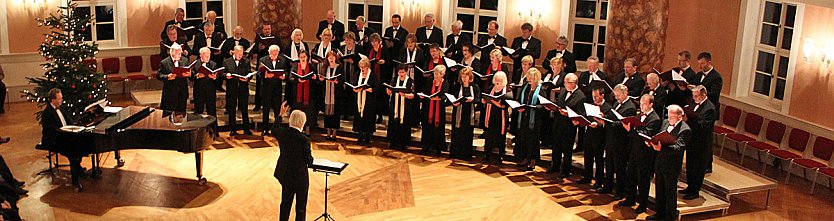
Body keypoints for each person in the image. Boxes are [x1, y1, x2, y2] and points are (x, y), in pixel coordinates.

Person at [647, 105, 691, 221]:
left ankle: (670, 216)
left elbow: (678, 148)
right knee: (659, 189)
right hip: (660, 162)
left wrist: (661, 148)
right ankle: (659, 213)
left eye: (672, 116)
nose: (669, 118)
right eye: (669, 115)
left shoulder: (685, 129)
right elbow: (660, 136)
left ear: (679, 116)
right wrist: (652, 142)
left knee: (670, 192)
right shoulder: (666, 122)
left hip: (672, 165)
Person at [619, 94, 661, 214]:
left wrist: (630, 130)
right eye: (641, 103)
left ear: (651, 104)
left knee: (643, 181)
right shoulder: (639, 115)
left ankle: (643, 205)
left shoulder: (655, 119)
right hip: (634, 151)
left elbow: (646, 135)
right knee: (631, 176)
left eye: (644, 104)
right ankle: (630, 199)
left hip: (645, 155)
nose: (641, 106)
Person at [272, 103, 314, 221]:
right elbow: (308, 161)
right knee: (300, 207)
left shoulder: (283, 133)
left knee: (285, 204)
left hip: (285, 174)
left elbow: (274, 129)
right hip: (299, 177)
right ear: (302, 122)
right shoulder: (304, 139)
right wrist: (312, 160)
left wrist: (281, 114)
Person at [597, 84, 637, 196]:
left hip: (621, 142)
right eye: (615, 96)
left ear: (625, 93)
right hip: (611, 139)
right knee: (609, 164)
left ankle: (620, 191)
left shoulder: (630, 107)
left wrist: (605, 122)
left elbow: (622, 124)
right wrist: (603, 116)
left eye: (618, 95)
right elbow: (612, 116)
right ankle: (608, 186)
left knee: (619, 167)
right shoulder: (616, 103)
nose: (616, 98)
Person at [41, 89, 84, 192]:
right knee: (74, 153)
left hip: (66, 136)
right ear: (52, 100)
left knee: (82, 144)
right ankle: (75, 182)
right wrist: (65, 132)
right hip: (55, 140)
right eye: (59, 98)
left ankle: (77, 168)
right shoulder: (47, 113)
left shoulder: (61, 109)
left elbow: (69, 122)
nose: (62, 100)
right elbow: (50, 130)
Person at [680, 85, 716, 200]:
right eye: (693, 96)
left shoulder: (709, 108)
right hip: (692, 140)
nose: (694, 98)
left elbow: (703, 126)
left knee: (698, 167)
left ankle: (695, 191)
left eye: (696, 96)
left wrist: (689, 120)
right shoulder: (694, 103)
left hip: (702, 143)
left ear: (703, 95)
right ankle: (689, 187)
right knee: (690, 165)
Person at [547, 73, 586, 178]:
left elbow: (581, 114)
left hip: (569, 127)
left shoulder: (581, 96)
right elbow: (559, 103)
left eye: (566, 82)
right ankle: (554, 166)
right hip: (558, 123)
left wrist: (568, 114)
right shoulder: (563, 91)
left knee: (567, 149)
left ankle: (565, 170)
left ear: (573, 83)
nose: (564, 84)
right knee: (556, 147)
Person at [692, 52, 723, 173]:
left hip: (709, 110)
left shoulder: (716, 77)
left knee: (707, 139)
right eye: (699, 63)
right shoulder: (699, 75)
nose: (700, 66)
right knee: (698, 138)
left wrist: (701, 92)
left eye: (702, 64)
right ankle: (697, 162)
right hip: (698, 108)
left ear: (709, 62)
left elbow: (714, 94)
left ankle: (707, 164)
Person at [581, 87, 612, 188]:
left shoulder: (608, 108)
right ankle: (587, 176)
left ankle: (599, 180)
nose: (594, 99)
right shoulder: (591, 105)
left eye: (596, 96)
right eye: (593, 96)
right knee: (588, 156)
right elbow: (586, 116)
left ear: (602, 96)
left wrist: (598, 124)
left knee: (598, 159)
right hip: (589, 134)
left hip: (600, 137)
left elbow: (607, 124)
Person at [515, 68, 545, 170]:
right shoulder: (525, 87)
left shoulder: (541, 89)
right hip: (524, 116)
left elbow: (543, 104)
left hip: (535, 118)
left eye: (532, 78)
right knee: (524, 138)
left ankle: (533, 160)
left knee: (533, 140)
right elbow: (519, 100)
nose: (530, 79)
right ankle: (524, 158)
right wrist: (519, 107)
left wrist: (535, 108)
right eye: (529, 77)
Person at [449, 67, 480, 160]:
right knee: (457, 133)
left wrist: (473, 99)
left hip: (468, 113)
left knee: (467, 134)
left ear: (470, 77)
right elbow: (453, 97)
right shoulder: (457, 86)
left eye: (466, 76)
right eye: (463, 76)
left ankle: (466, 154)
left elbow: (478, 98)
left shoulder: (474, 87)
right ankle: (455, 153)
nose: (464, 78)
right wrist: (454, 102)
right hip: (458, 112)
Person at [259, 45, 289, 136]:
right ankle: (265, 129)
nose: (273, 54)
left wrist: (284, 76)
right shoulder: (263, 60)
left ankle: (277, 129)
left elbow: (286, 72)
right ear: (269, 52)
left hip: (277, 88)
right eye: (272, 53)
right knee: (266, 109)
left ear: (278, 53)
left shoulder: (283, 60)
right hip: (266, 88)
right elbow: (259, 73)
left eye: (275, 53)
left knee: (277, 108)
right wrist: (265, 75)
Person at [223, 46, 253, 136]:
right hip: (232, 88)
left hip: (243, 88)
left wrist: (247, 78)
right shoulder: (227, 61)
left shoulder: (246, 61)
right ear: (234, 52)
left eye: (242, 54)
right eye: (239, 54)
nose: (241, 56)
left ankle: (246, 129)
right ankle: (233, 129)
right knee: (232, 109)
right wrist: (226, 75)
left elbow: (249, 72)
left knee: (244, 109)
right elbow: (222, 73)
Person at [482, 72, 511, 164]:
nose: (498, 81)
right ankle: (487, 154)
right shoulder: (491, 88)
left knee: (501, 137)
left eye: (500, 80)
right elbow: (485, 98)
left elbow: (504, 106)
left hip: (501, 117)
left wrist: (493, 101)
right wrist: (484, 100)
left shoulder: (507, 91)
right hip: (490, 115)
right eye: (497, 79)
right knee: (489, 135)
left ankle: (500, 155)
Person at [420, 65, 449, 155]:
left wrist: (439, 99)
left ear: (442, 74)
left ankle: (437, 148)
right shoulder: (430, 82)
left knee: (438, 129)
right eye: (434, 73)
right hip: (428, 108)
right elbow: (425, 91)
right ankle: (426, 146)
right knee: (427, 127)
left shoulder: (445, 83)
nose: (435, 75)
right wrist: (422, 95)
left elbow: (445, 95)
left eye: (437, 74)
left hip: (439, 109)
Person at [251, 24, 281, 111]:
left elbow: (281, 49)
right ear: (263, 30)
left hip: (273, 63)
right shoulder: (259, 38)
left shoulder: (276, 38)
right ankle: (258, 104)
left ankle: (271, 103)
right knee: (259, 83)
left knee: (271, 83)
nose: (267, 30)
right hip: (262, 63)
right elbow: (255, 50)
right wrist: (259, 48)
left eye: (268, 29)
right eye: (265, 29)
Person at [386, 64, 416, 150]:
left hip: (405, 106)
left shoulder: (411, 81)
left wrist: (405, 95)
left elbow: (413, 95)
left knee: (404, 124)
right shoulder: (394, 80)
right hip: (395, 105)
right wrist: (388, 91)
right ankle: (393, 142)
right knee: (393, 123)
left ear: (406, 72)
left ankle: (403, 143)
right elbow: (390, 91)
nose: (401, 74)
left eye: (403, 72)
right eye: (399, 72)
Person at [540, 57, 567, 148]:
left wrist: (560, 89)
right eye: (552, 65)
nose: (553, 67)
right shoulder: (548, 74)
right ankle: (544, 140)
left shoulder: (563, 76)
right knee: (545, 120)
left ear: (560, 65)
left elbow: (566, 88)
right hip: (546, 98)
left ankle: (552, 141)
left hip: (556, 100)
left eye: (555, 65)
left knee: (553, 122)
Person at [290, 51, 318, 136]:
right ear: (299, 57)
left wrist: (314, 77)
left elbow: (316, 78)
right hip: (298, 94)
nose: (303, 58)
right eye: (301, 57)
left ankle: (307, 129)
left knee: (308, 111)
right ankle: (298, 129)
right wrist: (297, 80)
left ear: (307, 57)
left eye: (304, 57)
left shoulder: (312, 66)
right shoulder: (295, 66)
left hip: (309, 93)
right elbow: (290, 78)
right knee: (298, 111)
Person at [365, 34, 391, 123]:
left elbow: (389, 63)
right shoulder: (370, 50)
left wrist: (384, 62)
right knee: (372, 98)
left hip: (382, 76)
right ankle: (372, 115)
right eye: (372, 42)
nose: (374, 43)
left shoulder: (384, 50)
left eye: (375, 41)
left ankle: (380, 116)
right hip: (372, 76)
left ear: (379, 41)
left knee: (381, 97)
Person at [157, 43, 191, 112]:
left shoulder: (185, 60)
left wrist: (190, 74)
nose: (180, 55)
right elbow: (159, 75)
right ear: (172, 53)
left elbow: (190, 72)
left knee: (182, 113)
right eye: (178, 54)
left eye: (180, 53)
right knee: (170, 114)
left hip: (182, 91)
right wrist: (167, 77)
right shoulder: (164, 62)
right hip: (170, 92)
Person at [353, 58, 378, 144]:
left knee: (368, 118)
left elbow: (376, 88)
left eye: (363, 67)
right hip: (359, 99)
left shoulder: (373, 75)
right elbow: (355, 85)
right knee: (359, 117)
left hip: (369, 100)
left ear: (367, 66)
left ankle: (367, 137)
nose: (362, 69)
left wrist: (370, 89)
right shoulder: (357, 74)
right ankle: (360, 136)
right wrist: (355, 89)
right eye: (360, 67)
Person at [320, 51, 343, 140]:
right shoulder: (325, 67)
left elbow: (342, 80)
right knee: (327, 114)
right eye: (329, 57)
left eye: (333, 57)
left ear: (335, 58)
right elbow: (321, 79)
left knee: (335, 113)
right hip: (327, 94)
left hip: (336, 94)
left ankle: (334, 132)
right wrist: (321, 79)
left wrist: (337, 82)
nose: (331, 59)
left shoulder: (339, 67)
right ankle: (328, 131)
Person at [191, 47, 220, 116]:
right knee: (198, 111)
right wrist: (197, 76)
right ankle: (198, 126)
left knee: (212, 111)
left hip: (210, 91)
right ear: (201, 55)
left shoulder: (213, 64)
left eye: (209, 55)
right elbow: (191, 76)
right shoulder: (195, 64)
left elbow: (218, 77)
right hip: (199, 91)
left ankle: (213, 126)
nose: (208, 57)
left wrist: (214, 77)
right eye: (206, 56)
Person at [340, 32, 361, 119]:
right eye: (346, 40)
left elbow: (361, 61)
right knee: (344, 94)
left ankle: (351, 113)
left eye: (350, 40)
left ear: (353, 40)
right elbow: (340, 60)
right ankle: (344, 113)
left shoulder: (359, 48)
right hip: (344, 72)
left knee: (352, 93)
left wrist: (353, 62)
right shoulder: (342, 48)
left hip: (354, 73)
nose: (348, 42)